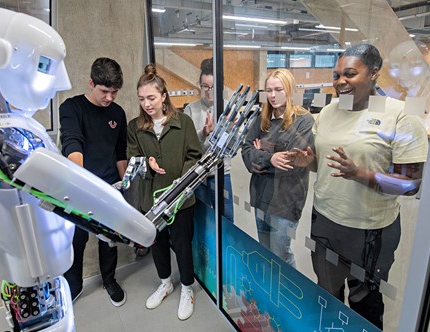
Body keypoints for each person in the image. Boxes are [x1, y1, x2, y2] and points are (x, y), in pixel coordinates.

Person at [289, 44, 428, 329]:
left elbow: (411, 184)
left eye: (350, 74)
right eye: (337, 75)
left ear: (374, 73)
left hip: (370, 231)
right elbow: (328, 165)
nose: (341, 81)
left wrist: (360, 173)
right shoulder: (328, 112)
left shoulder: (401, 115)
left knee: (365, 304)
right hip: (326, 221)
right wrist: (310, 162)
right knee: (326, 295)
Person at [127, 64, 202, 320]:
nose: (147, 104)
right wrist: (146, 163)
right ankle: (165, 283)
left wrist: (182, 179)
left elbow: (195, 155)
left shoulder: (184, 123)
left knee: (182, 244)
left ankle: (187, 288)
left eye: (151, 98)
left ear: (163, 96)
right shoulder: (135, 127)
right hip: (151, 200)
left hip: (181, 200)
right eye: (141, 99)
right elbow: (133, 158)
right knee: (156, 243)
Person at [59, 57, 128, 306]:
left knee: (108, 239)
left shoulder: (118, 113)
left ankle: (109, 280)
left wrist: (125, 183)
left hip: (109, 186)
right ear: (91, 83)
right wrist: (82, 183)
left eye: (114, 92)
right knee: (77, 239)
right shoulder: (71, 108)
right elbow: (72, 143)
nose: (109, 97)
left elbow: (120, 152)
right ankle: (73, 285)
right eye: (104, 91)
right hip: (78, 188)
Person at [241, 68, 314, 268]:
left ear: (289, 90)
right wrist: (271, 157)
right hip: (261, 196)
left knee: (281, 255)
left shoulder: (304, 121)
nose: (272, 95)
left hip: (285, 202)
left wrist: (262, 154)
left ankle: (286, 295)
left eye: (278, 89)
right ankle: (269, 293)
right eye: (269, 90)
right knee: (264, 251)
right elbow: (246, 150)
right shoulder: (262, 119)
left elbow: (291, 163)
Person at [183, 57, 234, 221]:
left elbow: (234, 150)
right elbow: (187, 147)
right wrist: (204, 132)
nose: (209, 91)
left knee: (226, 220)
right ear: (200, 85)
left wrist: (231, 131)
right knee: (202, 219)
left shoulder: (229, 109)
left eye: (213, 87)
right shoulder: (191, 110)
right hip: (198, 175)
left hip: (222, 174)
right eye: (205, 86)